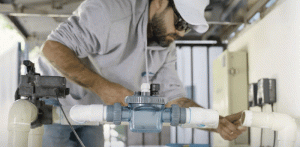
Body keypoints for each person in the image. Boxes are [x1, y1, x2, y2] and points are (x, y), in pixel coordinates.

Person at [37, 0, 247, 146]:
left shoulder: (165, 47)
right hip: (55, 98)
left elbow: (176, 101)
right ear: (160, 2)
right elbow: (52, 48)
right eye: (180, 22)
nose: (181, 33)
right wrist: (102, 87)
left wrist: (216, 123)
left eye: (188, 27)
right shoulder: (110, 10)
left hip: (91, 109)